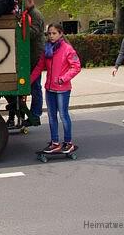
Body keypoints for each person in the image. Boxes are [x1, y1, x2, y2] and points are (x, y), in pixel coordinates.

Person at [30, 23, 81, 153]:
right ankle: (55, 143)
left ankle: (68, 143)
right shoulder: (47, 49)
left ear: (60, 34)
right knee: (52, 116)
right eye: (49, 33)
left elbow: (76, 67)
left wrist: (63, 78)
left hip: (62, 89)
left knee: (63, 115)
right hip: (50, 88)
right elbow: (39, 67)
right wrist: (29, 81)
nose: (51, 36)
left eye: (54, 33)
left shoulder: (67, 49)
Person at [22, 0, 45, 126]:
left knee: (35, 86)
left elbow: (33, 32)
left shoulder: (35, 14)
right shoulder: (30, 13)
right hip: (33, 54)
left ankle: (35, 114)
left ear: (29, 1)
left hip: (36, 55)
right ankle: (33, 114)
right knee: (33, 85)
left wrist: (20, 29)